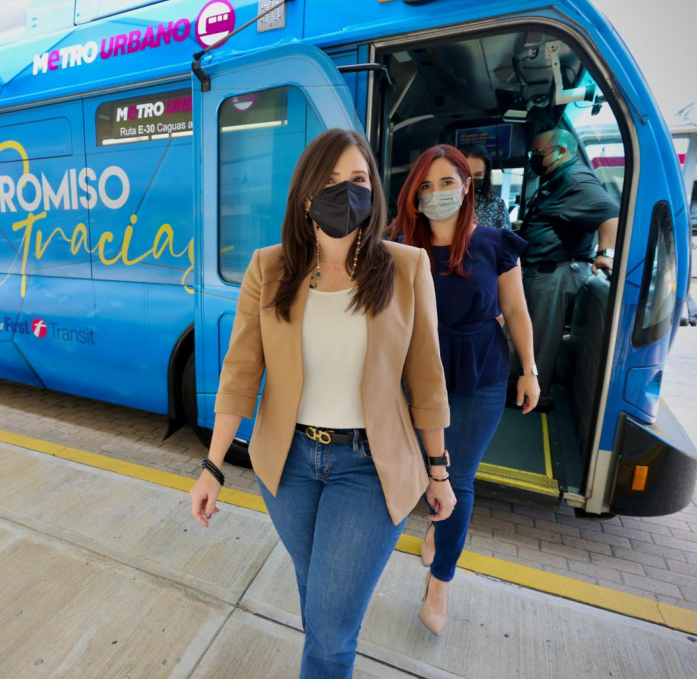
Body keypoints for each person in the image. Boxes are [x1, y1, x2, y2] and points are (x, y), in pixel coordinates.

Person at [189, 128, 454, 677]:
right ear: (306, 192)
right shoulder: (269, 268)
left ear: (373, 189)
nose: (346, 191)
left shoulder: (405, 267)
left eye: (358, 179)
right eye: (331, 180)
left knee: (330, 628)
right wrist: (212, 466)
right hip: (287, 465)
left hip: (369, 467)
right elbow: (240, 373)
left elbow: (427, 380)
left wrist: (439, 471)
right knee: (320, 602)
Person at [388, 144, 540, 637]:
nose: (437, 194)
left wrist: (530, 370)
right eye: (426, 186)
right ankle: (437, 519)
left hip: (481, 372)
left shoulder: (496, 243)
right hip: (415, 373)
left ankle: (440, 581)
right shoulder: (397, 244)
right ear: (414, 195)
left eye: (447, 183)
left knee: (459, 478)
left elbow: (515, 310)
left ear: (467, 185)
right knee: (426, 471)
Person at [520, 129, 618, 395]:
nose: (534, 158)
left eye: (538, 153)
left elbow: (610, 215)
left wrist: (605, 254)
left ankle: (534, 394)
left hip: (554, 272)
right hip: (544, 271)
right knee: (534, 333)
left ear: (561, 152)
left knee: (541, 338)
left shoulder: (574, 178)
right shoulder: (556, 178)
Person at [463, 145, 511, 229]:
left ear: (485, 175)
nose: (471, 180)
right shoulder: (446, 203)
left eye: (478, 175)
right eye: (466, 174)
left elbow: (505, 236)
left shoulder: (497, 206)